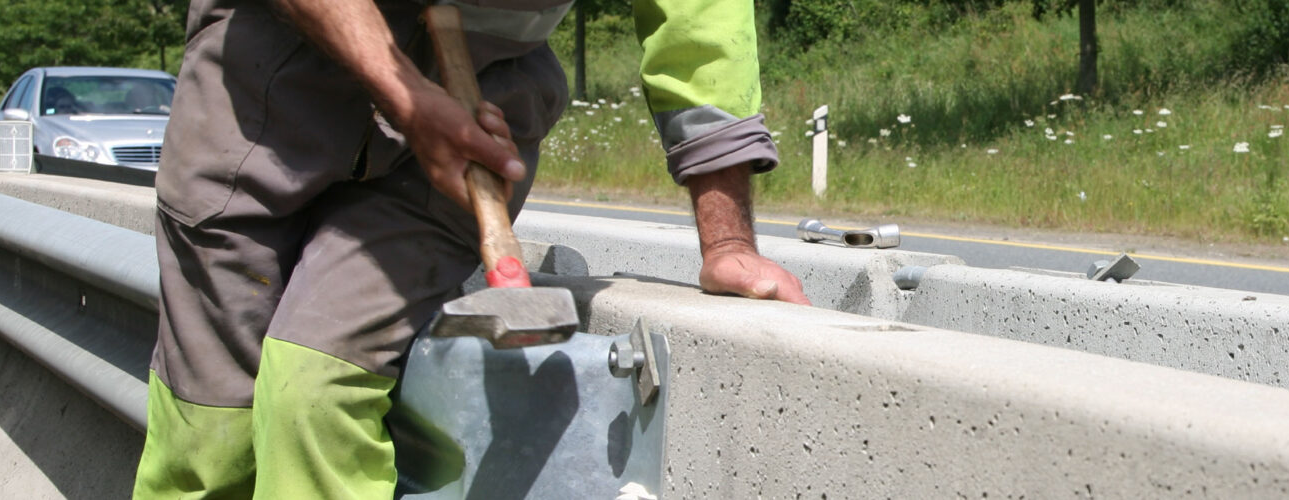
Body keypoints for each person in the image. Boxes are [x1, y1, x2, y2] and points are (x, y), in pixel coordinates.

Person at [132, 0, 805, 497]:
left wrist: (728, 241)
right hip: (269, 90)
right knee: (209, 426)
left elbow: (699, 26)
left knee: (314, 387)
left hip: (480, 115)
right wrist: (405, 97)